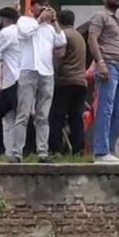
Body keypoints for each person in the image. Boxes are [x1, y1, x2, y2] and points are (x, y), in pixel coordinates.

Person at [5, 0, 65, 163]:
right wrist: (39, 20)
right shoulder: (24, 21)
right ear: (32, 7)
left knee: (43, 115)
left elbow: (61, 41)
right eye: (41, 5)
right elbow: (26, 32)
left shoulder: (50, 29)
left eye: (47, 6)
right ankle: (17, 152)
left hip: (47, 73)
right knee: (23, 114)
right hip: (28, 71)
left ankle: (43, 152)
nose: (45, 8)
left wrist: (54, 21)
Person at [89, 0, 119, 164]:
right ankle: (100, 152)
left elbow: (114, 46)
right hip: (108, 67)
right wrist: (100, 63)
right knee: (106, 109)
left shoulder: (115, 21)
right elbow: (92, 38)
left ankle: (108, 149)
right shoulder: (101, 16)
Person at [48, 10, 87, 155]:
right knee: (76, 119)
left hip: (65, 81)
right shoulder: (79, 37)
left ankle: (55, 150)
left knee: (56, 117)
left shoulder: (64, 36)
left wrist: (53, 70)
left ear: (59, 20)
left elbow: (60, 55)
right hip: (80, 83)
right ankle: (79, 150)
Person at [0, 7, 23, 157]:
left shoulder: (5, 33)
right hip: (24, 79)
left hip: (12, 81)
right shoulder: (24, 32)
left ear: (4, 19)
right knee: (23, 117)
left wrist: (2, 55)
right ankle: (28, 150)